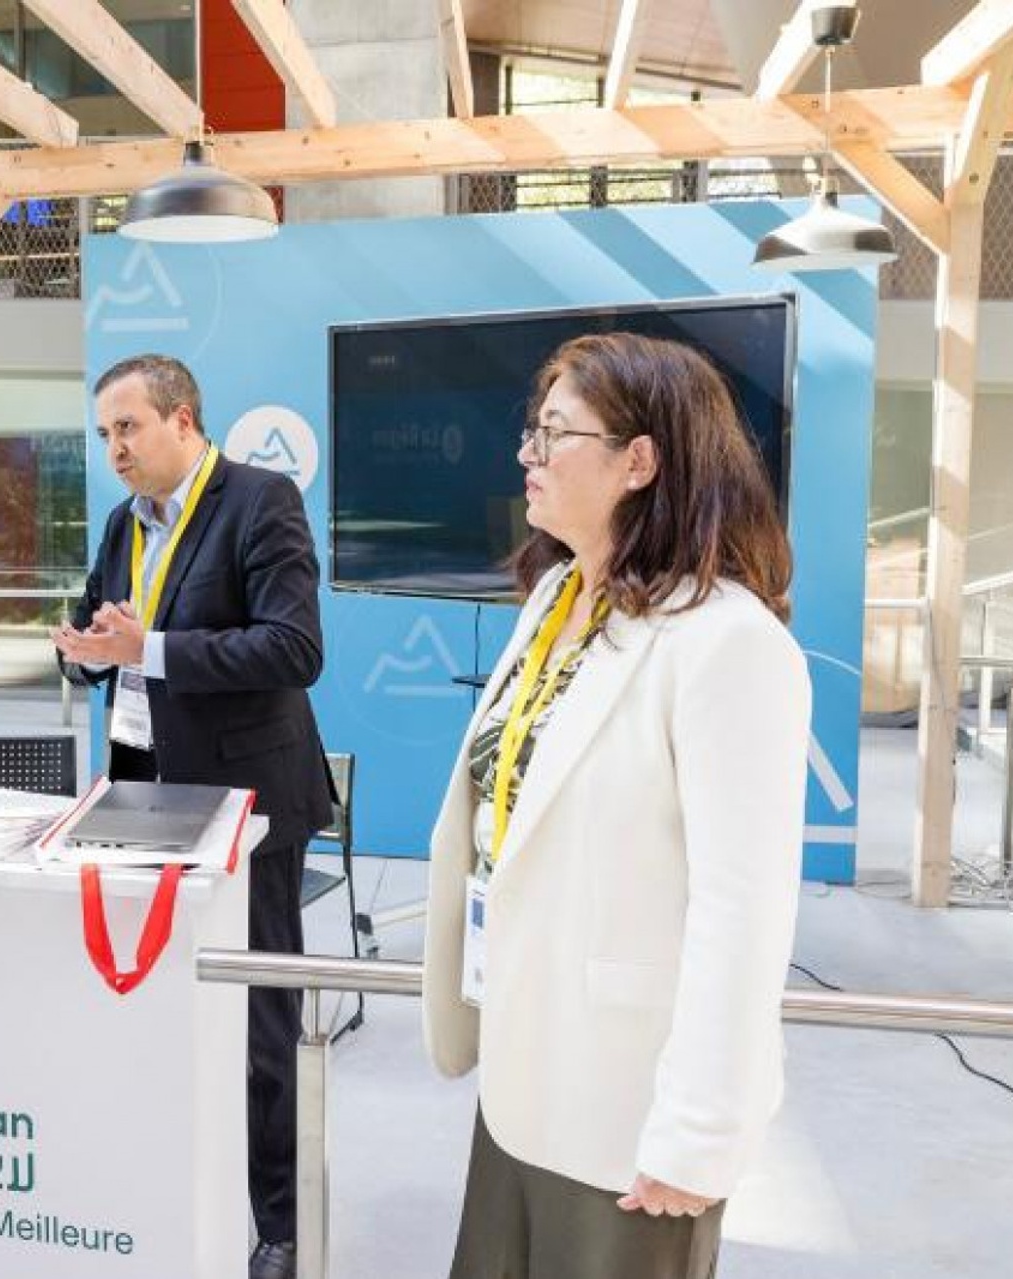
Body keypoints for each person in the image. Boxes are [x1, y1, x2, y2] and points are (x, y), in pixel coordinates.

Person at [421, 332, 811, 1279]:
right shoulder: (558, 595)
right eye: (533, 429)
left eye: (555, 432)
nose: (528, 452)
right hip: (523, 1068)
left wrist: (699, 1129)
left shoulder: (727, 643)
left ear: (639, 460)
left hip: (629, 1108)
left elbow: (742, 910)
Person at [52, 354, 332, 1279]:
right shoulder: (121, 524)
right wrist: (82, 652)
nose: (114, 449)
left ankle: (282, 1226)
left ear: (183, 419)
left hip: (246, 805)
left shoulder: (259, 502)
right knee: (161, 1006)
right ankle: (180, 1189)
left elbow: (294, 648)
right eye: (105, 433)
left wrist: (155, 649)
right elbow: (102, 636)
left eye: (128, 427)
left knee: (260, 1025)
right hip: (141, 795)